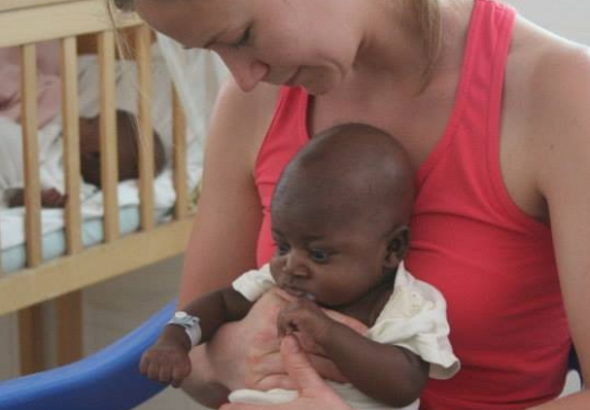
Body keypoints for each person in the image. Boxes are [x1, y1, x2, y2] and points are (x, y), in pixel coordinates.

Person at [111, 0, 590, 409]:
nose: (243, 76)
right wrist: (237, 354)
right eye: (212, 51)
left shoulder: (561, 94)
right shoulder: (252, 101)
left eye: (242, 35)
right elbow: (195, 357)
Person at [139, 124, 460, 409]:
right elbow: (220, 303)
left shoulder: (407, 304)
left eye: (318, 255)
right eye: (282, 245)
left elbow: (404, 386)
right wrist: (175, 339)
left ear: (392, 250)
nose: (291, 265)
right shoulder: (276, 284)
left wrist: (326, 332)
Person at [2, 109, 166, 208]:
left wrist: (37, 199)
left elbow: (10, 196)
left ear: (93, 154)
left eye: (91, 122)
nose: (81, 117)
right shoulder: (55, 142)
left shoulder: (69, 188)